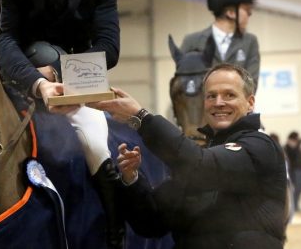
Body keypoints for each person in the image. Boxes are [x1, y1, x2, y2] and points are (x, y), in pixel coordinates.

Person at [0, 0, 123, 248]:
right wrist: (38, 82)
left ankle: (114, 233)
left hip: (77, 85)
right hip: (15, 82)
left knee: (97, 144)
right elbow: (2, 39)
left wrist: (62, 76)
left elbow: (109, 45)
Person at [89, 64, 288, 248]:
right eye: (211, 96)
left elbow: (201, 165)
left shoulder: (260, 146)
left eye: (229, 95)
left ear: (250, 102)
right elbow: (150, 223)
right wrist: (132, 179)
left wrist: (141, 118)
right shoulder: (197, 158)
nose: (218, 102)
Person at [181, 0, 260, 86]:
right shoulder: (192, 42)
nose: (250, 14)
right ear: (231, 13)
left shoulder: (250, 42)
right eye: (246, 9)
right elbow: (185, 84)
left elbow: (251, 85)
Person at [285, 131, 301, 212]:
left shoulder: (298, 145)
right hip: (294, 170)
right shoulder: (289, 146)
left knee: (300, 188)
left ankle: (296, 205)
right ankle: (294, 206)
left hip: (300, 169)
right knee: (295, 189)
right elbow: (293, 155)